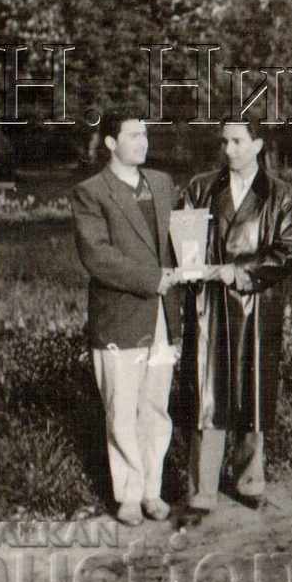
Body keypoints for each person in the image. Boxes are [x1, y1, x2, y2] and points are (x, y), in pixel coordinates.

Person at [178, 117, 292, 526]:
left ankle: (250, 483)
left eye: (237, 141)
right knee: (207, 397)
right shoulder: (200, 188)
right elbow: (183, 240)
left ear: (258, 144)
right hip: (209, 306)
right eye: (224, 141)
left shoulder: (279, 194)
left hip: (255, 306)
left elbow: (289, 250)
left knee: (253, 393)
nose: (228, 149)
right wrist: (194, 263)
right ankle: (202, 492)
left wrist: (240, 271)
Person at [70, 110, 185, 527]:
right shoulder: (90, 192)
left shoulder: (161, 184)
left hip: (162, 318)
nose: (144, 141)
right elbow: (98, 257)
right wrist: (153, 279)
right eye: (134, 135)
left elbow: (181, 239)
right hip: (119, 318)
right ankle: (129, 496)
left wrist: (191, 264)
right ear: (111, 143)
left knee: (155, 407)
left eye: (146, 134)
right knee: (121, 411)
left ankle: (153, 492)